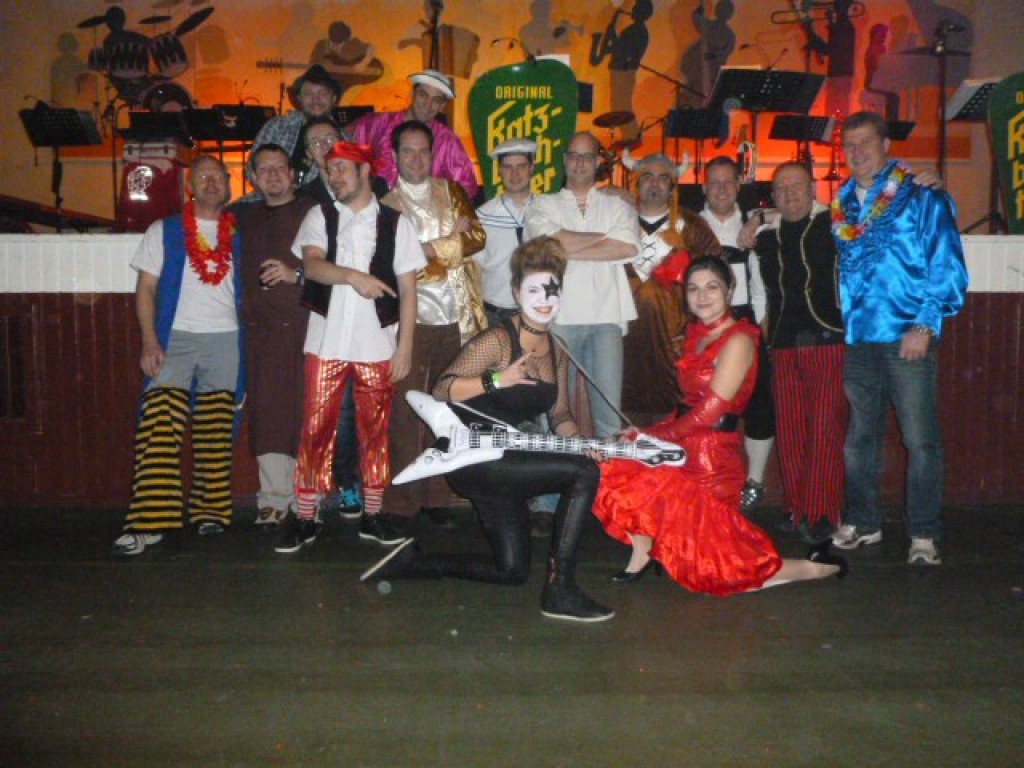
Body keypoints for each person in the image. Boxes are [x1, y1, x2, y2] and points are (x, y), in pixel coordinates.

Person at [361, 236, 614, 623]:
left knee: (511, 571)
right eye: (534, 290)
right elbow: (442, 389)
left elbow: (560, 413)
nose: (544, 299)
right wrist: (498, 380)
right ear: (516, 291)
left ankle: (417, 560)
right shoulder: (498, 340)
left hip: (507, 458)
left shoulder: (557, 350)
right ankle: (560, 589)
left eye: (552, 290)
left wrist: (579, 443)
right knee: (583, 474)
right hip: (473, 459)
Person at [593, 255, 847, 595]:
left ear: (729, 291)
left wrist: (649, 434)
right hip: (681, 447)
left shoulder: (739, 340)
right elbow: (686, 409)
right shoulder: (696, 335)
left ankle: (820, 565)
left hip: (711, 460)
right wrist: (640, 436)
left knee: (726, 571)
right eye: (694, 289)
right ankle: (643, 552)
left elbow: (707, 415)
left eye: (712, 287)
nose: (702, 296)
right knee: (617, 463)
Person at [831, 111, 968, 565]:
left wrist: (925, 325)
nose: (857, 152)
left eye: (866, 142)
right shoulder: (842, 203)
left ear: (886, 145)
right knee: (859, 439)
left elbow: (947, 264)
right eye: (849, 145)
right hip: (859, 338)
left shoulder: (921, 193)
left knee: (920, 439)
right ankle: (864, 521)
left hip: (908, 333)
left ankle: (924, 534)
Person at [276, 140, 425, 553]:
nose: (334, 177)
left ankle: (373, 514)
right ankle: (306, 516)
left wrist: (405, 347)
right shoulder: (320, 215)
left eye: (342, 168)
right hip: (326, 343)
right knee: (315, 430)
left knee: (376, 432)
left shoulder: (397, 223)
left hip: (378, 344)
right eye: (330, 170)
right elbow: (312, 265)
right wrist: (353, 277)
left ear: (365, 172)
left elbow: (409, 290)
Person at [112, 156, 242, 556]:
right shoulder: (164, 230)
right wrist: (150, 341)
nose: (211, 183)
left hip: (226, 340)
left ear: (229, 185)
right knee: (159, 428)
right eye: (202, 177)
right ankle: (148, 522)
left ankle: (210, 511)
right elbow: (146, 289)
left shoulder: (240, 233)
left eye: (217, 177)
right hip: (175, 339)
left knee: (216, 430)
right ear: (189, 186)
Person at [380, 120, 487, 527]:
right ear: (395, 156)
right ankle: (402, 502)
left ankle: (439, 497)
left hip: (458, 316)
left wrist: (421, 250)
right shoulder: (385, 206)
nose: (416, 158)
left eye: (423, 150)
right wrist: (446, 245)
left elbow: (476, 237)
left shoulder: (451, 191)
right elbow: (390, 264)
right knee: (406, 411)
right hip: (410, 321)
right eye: (408, 151)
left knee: (449, 408)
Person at [743, 162, 848, 542]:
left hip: (827, 338)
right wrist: (766, 331)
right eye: (781, 188)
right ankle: (796, 506)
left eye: (797, 185)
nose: (789, 193)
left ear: (813, 188)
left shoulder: (835, 225)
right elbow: (759, 292)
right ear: (772, 196)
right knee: (789, 431)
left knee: (823, 428)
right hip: (783, 342)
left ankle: (822, 512)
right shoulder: (764, 237)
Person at [524, 131, 640, 439]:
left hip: (607, 317)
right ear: (564, 160)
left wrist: (565, 244)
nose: (580, 163)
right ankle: (556, 471)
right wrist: (605, 238)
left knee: (610, 416)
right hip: (558, 318)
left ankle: (611, 470)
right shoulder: (543, 205)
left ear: (598, 162)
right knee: (554, 411)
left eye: (587, 157)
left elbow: (627, 247)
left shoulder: (616, 205)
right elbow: (547, 246)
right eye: (574, 156)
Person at [232, 144, 315, 529]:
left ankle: (307, 498)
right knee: (268, 417)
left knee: (306, 413)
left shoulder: (315, 211)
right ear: (252, 177)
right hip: (261, 336)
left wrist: (295, 274)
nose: (273, 175)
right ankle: (273, 499)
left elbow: (337, 263)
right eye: (264, 169)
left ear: (293, 173)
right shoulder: (241, 217)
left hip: (307, 331)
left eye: (280, 167)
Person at [698, 156, 775, 514]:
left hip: (747, 322)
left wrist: (761, 324)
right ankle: (710, 481)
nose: (722, 189)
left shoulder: (755, 224)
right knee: (709, 405)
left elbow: (759, 283)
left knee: (760, 403)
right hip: (705, 326)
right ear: (703, 188)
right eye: (714, 182)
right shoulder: (690, 226)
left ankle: (754, 481)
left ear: (738, 186)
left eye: (728, 181)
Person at [622, 150, 720, 426]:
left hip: (675, 349)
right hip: (621, 346)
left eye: (663, 178)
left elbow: (718, 278)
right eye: (647, 176)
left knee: (675, 428)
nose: (654, 183)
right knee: (624, 427)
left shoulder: (692, 227)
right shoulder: (617, 221)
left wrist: (702, 333)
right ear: (637, 183)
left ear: (672, 186)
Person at [347, 69, 479, 200]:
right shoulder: (378, 124)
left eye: (436, 100)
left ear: (442, 106)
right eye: (423, 95)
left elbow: (467, 187)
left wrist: (435, 199)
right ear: (412, 93)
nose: (428, 104)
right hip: (376, 208)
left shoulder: (448, 142)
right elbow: (344, 148)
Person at [475, 138, 538, 328]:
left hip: (539, 312)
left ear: (532, 168)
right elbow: (475, 269)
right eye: (508, 167)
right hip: (495, 315)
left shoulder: (547, 210)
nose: (515, 173)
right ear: (499, 171)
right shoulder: (483, 215)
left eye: (521, 166)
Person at [251, 65, 342, 187]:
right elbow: (252, 171)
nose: (316, 99)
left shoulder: (344, 139)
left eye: (323, 93)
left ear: (334, 98)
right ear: (299, 98)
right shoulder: (277, 127)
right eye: (308, 93)